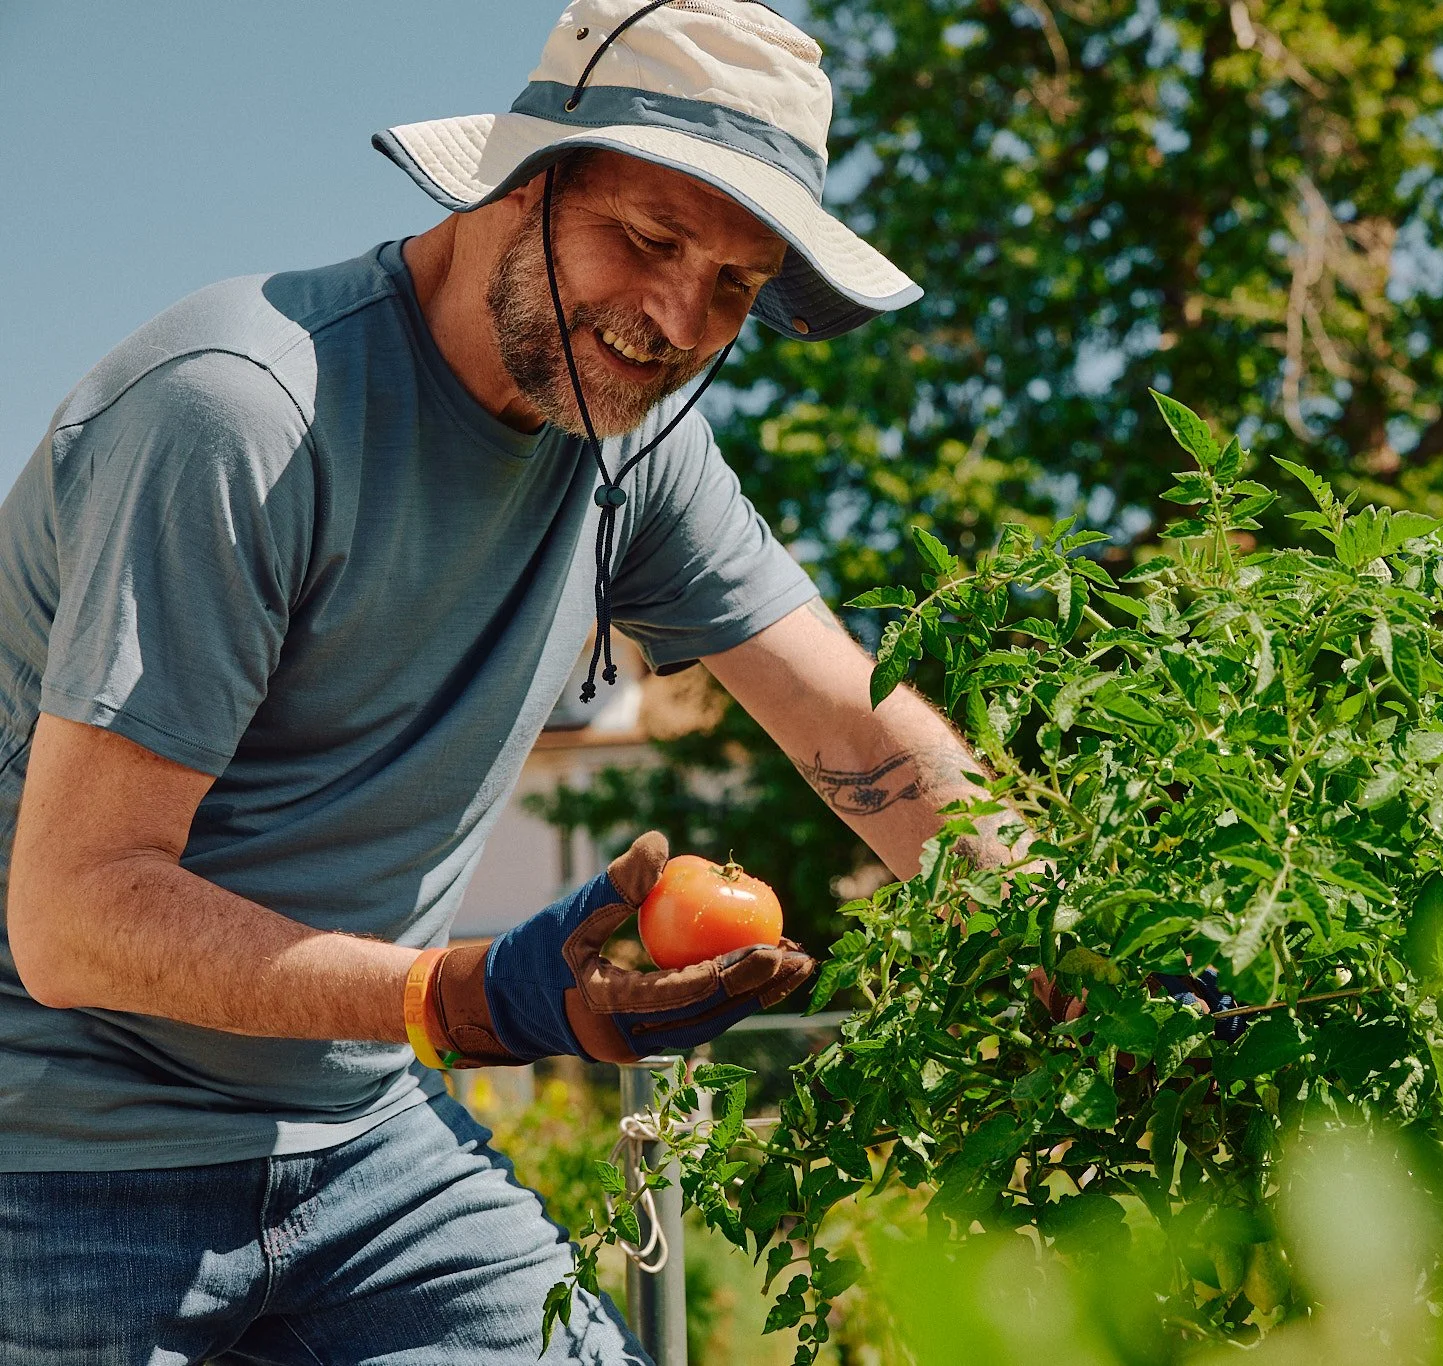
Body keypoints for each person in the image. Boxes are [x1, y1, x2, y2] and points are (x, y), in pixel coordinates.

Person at [0, 2, 1018, 1360]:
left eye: (732, 284)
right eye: (650, 241)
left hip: (365, 1142)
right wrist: (461, 994)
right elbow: (73, 914)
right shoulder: (245, 411)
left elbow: (859, 731)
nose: (675, 319)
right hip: (60, 1154)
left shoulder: (630, 459)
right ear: (522, 178)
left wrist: (1078, 934)